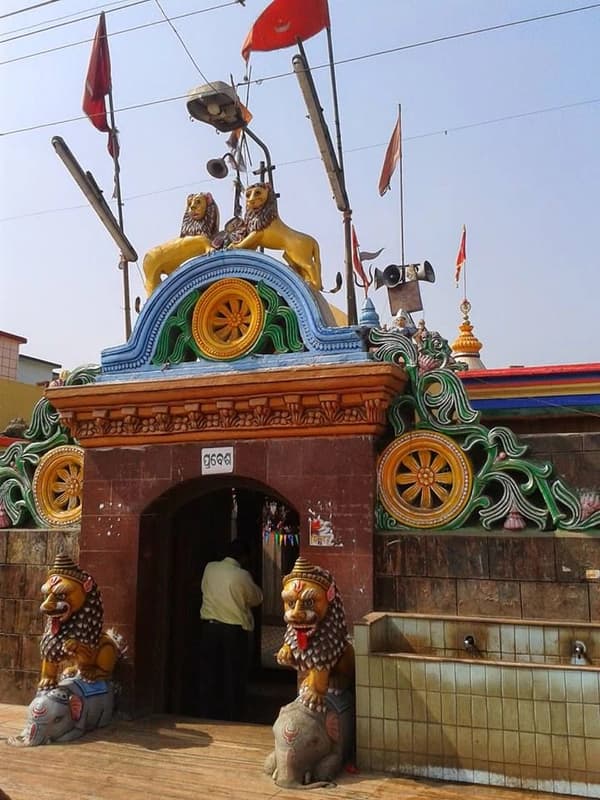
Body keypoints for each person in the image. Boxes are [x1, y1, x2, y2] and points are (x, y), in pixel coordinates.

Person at [199, 539, 262, 721]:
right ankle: (232, 714)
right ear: (244, 557)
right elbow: (256, 598)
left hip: (209, 628)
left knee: (209, 672)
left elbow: (203, 588)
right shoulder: (242, 575)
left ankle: (207, 712)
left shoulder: (209, 568)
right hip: (233, 631)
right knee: (233, 674)